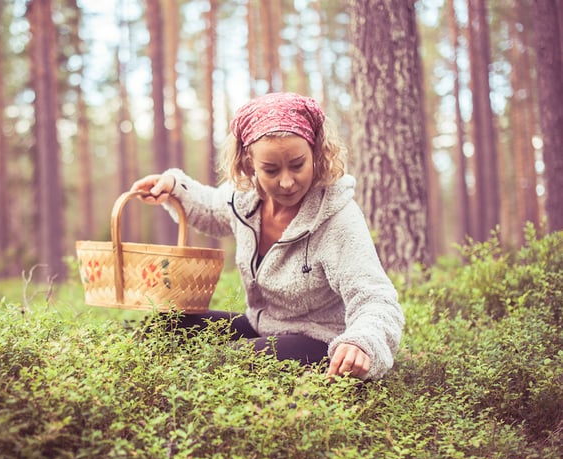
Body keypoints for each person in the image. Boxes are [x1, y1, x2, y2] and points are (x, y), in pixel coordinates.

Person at [130, 92, 404, 380]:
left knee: (231, 360)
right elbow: (211, 209)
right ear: (249, 164)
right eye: (270, 170)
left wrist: (361, 342)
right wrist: (174, 186)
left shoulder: (338, 217)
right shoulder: (246, 200)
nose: (286, 182)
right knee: (166, 325)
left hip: (320, 339)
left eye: (298, 165)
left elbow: (376, 297)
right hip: (262, 325)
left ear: (317, 154)